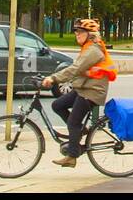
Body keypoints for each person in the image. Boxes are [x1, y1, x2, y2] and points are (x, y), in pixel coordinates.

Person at [42, 17, 117, 168]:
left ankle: (72, 155)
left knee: (73, 122)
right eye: (76, 32)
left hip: (92, 92)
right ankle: (81, 131)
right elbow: (77, 70)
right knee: (57, 105)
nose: (77, 34)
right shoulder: (88, 48)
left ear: (90, 34)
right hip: (83, 88)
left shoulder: (93, 51)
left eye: (81, 32)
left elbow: (75, 69)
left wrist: (54, 78)